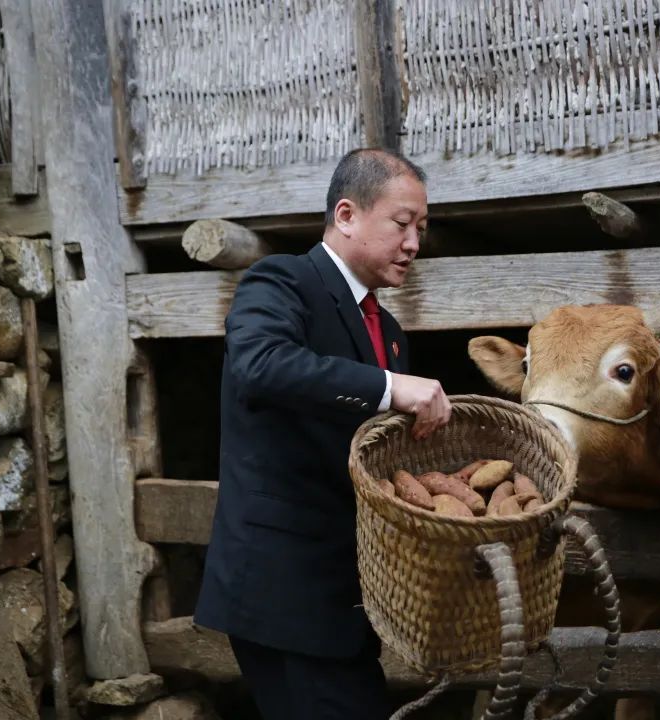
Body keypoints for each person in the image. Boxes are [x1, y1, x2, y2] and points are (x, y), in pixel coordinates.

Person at [193, 148, 452, 719]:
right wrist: (390, 388)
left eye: (422, 228)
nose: (414, 243)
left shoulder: (389, 329)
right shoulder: (281, 280)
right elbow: (260, 365)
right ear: (346, 214)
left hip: (343, 596)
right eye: (402, 224)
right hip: (283, 589)